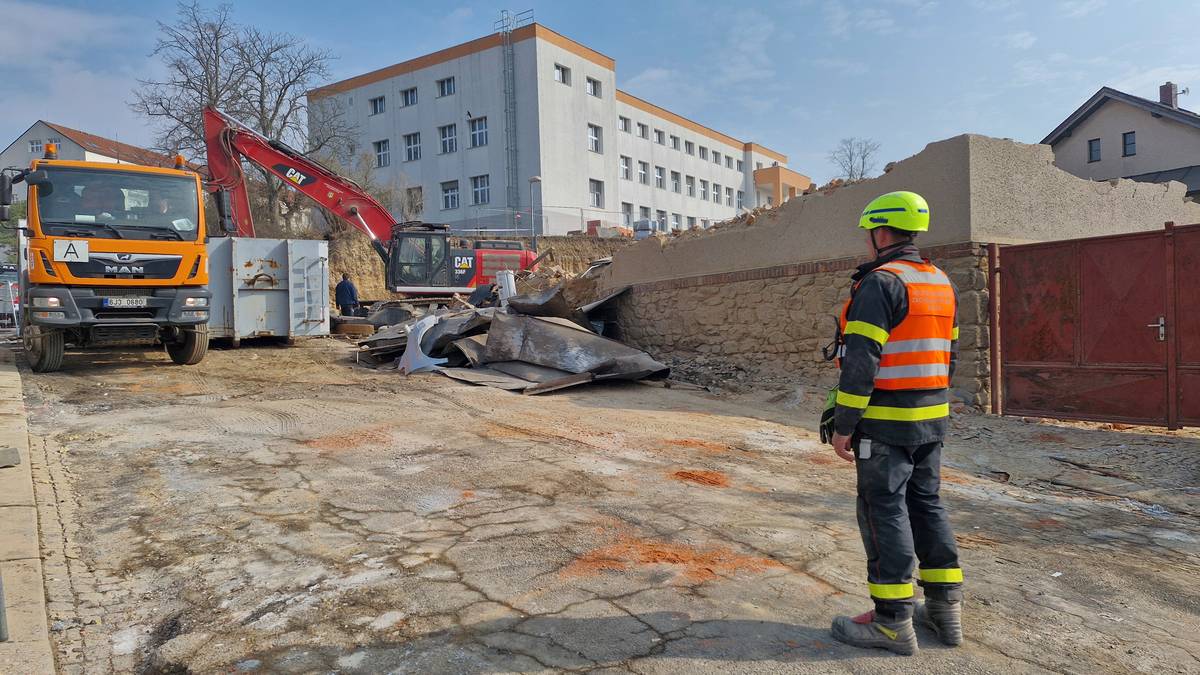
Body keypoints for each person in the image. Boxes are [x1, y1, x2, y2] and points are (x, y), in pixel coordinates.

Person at [823, 191, 962, 656]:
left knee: (884, 509)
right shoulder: (940, 281)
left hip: (884, 423)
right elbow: (951, 356)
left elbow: (862, 361)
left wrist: (844, 424)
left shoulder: (881, 283)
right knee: (928, 504)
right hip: (931, 418)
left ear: (880, 232)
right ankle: (945, 610)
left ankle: (890, 622)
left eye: (868, 233)